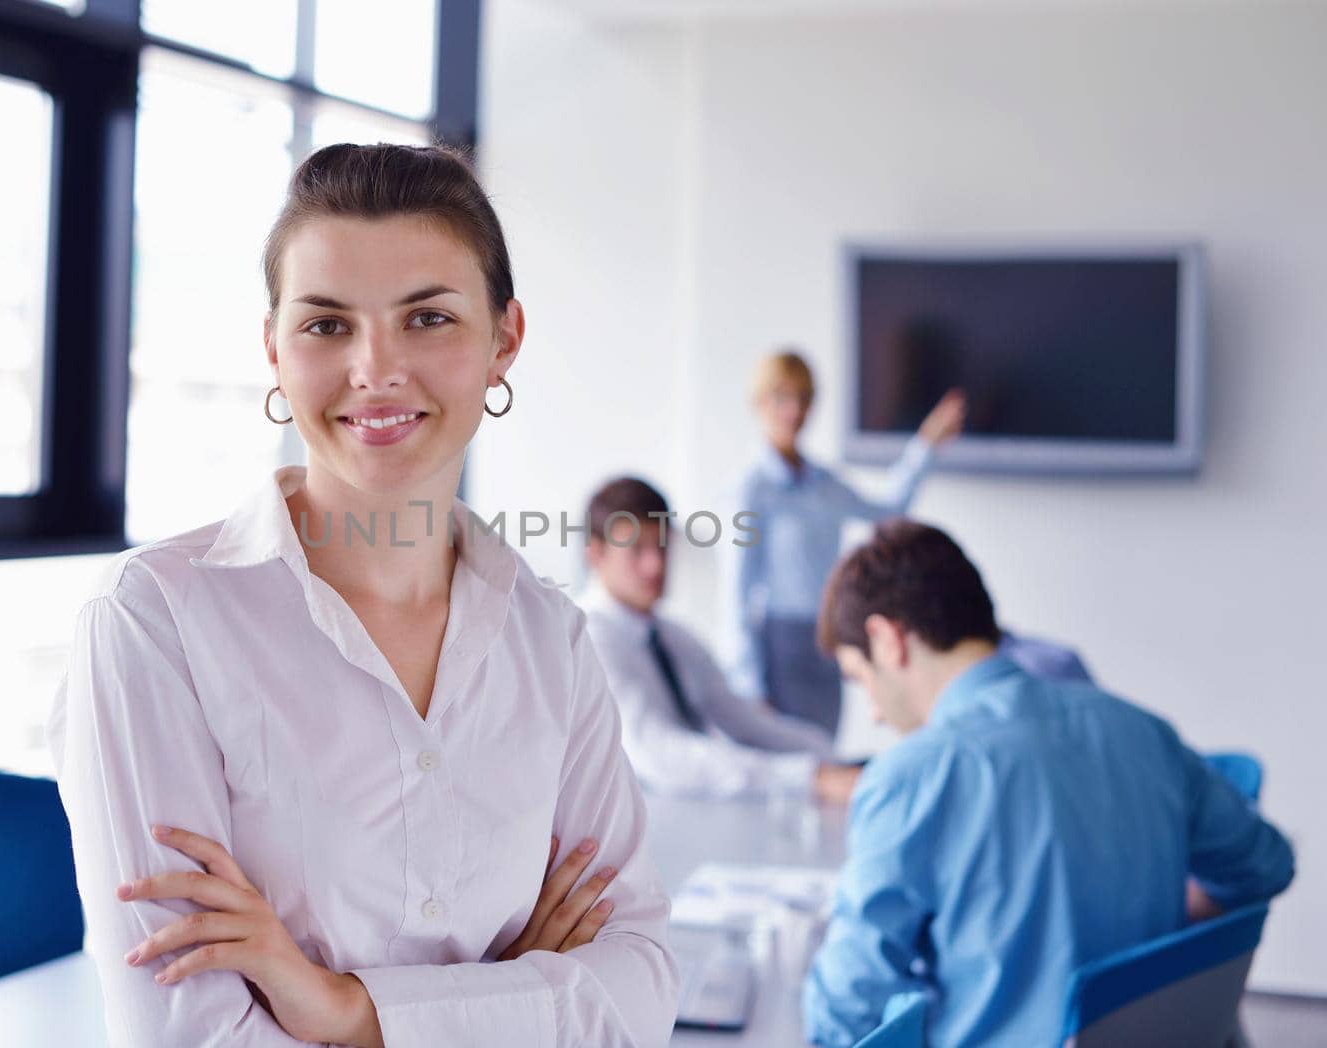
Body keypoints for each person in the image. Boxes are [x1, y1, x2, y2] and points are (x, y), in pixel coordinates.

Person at [49, 144, 678, 1048]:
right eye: (327, 325)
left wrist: (350, 1012)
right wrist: (510, 1003)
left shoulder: (550, 638)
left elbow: (642, 985)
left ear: (504, 339)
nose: (376, 368)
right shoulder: (156, 623)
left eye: (427, 318)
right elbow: (185, 1034)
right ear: (274, 347)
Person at [801, 520, 1295, 1047]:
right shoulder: (1140, 729)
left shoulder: (910, 776)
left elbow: (846, 1011)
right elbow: (1265, 864)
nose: (874, 712)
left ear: (887, 639)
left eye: (860, 678)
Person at [722, 350, 965, 737]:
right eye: (782, 398)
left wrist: (925, 446)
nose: (795, 410)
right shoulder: (751, 491)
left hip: (825, 639)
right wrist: (749, 684)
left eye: (804, 397)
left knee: (825, 749)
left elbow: (888, 508)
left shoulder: (824, 484)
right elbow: (737, 592)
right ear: (759, 404)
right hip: (779, 648)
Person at [576, 476, 857, 804]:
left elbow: (739, 717)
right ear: (596, 554)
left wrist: (825, 753)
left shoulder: (671, 637)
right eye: (636, 549)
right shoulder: (587, 639)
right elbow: (661, 756)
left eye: (662, 545)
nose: (655, 565)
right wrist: (806, 778)